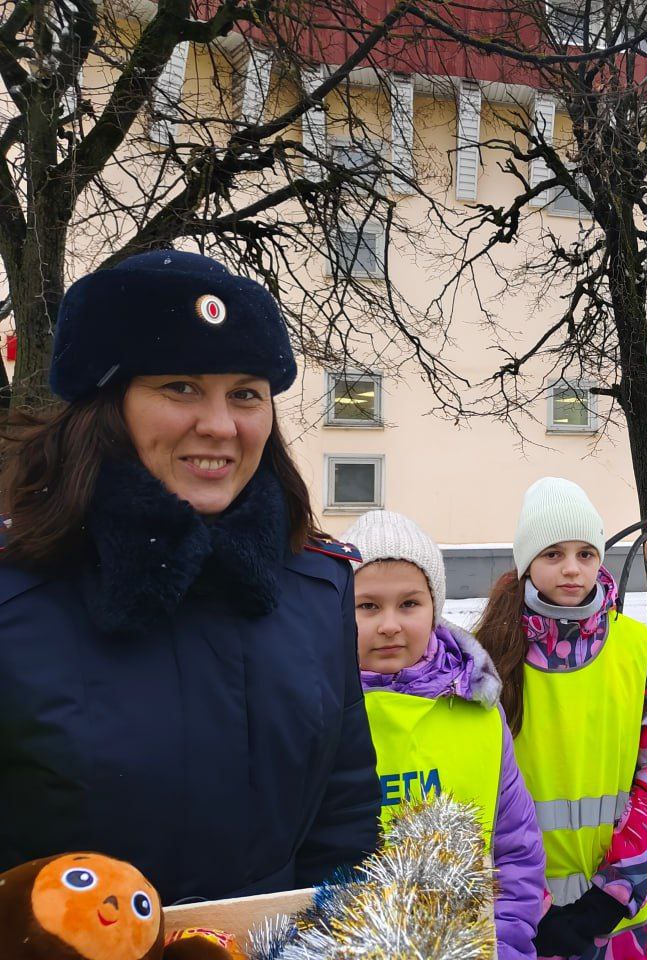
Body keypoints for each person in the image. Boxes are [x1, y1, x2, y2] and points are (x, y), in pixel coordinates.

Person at [0, 251, 379, 903]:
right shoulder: (15, 600)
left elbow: (340, 824)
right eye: (180, 386)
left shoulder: (318, 590)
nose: (221, 425)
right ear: (105, 405)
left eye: (245, 394)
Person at [474, 478, 647, 960]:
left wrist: (609, 899)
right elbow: (471, 797)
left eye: (586, 553)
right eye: (552, 554)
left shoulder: (637, 646)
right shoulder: (486, 654)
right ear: (527, 563)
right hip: (519, 919)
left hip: (618, 919)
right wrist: (528, 906)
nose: (572, 569)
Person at [345, 509, 545, 960]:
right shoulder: (316, 715)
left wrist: (505, 945)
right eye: (368, 606)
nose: (390, 624)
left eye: (409, 603)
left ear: (435, 607)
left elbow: (516, 852)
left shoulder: (478, 714)